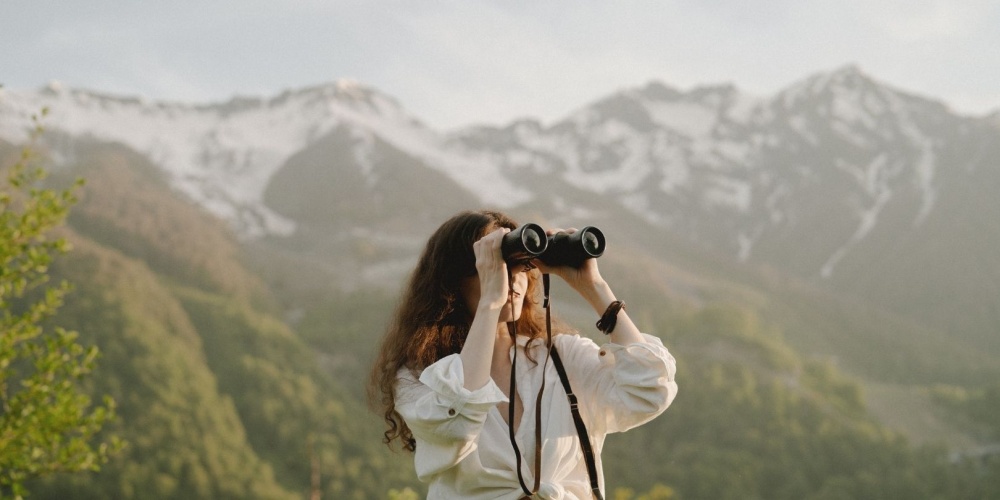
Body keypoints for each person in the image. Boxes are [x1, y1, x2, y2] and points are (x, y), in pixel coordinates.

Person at [368, 210, 678, 499]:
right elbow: (458, 426)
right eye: (497, 264)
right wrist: (491, 302)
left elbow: (650, 389)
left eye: (521, 264)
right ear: (453, 279)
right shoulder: (418, 376)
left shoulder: (560, 356)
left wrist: (594, 286)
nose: (513, 276)